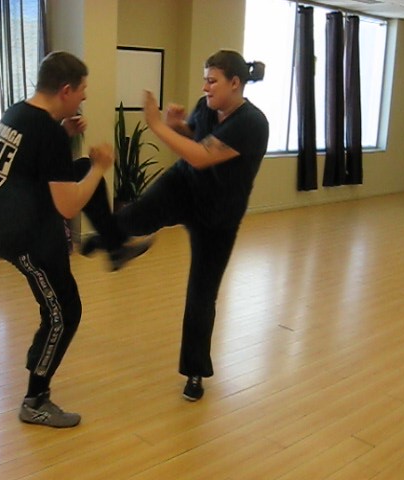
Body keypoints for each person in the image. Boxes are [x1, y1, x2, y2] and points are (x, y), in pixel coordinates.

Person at [87, 50, 269, 401]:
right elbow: (196, 138)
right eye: (205, 80)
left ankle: (195, 372)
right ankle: (112, 242)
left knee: (202, 294)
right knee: (136, 215)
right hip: (184, 186)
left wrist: (156, 125)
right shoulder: (207, 106)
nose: (205, 87)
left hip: (218, 217)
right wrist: (176, 126)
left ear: (235, 83)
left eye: (212, 81)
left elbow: (202, 156)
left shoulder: (252, 123)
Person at [0, 51, 149, 428]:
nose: (85, 97)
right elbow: (69, 206)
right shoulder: (48, 133)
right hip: (25, 236)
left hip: (13, 215)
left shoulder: (19, 112)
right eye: (83, 90)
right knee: (64, 313)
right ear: (66, 90)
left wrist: (68, 138)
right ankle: (35, 400)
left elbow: (32, 158)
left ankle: (114, 246)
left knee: (82, 167)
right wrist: (102, 166)